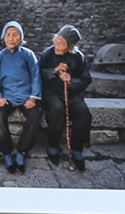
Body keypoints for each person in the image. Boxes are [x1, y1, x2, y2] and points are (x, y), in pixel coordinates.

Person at [37, 25, 92, 170]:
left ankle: (77, 149)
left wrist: (71, 81)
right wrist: (54, 71)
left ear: (71, 46)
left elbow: (86, 79)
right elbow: (37, 74)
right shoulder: (48, 54)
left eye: (61, 42)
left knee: (82, 111)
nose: (56, 44)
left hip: (72, 95)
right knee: (57, 109)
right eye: (56, 40)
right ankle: (53, 145)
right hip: (51, 93)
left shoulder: (78, 57)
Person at [0, 21, 40, 174]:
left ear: (20, 38)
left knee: (35, 116)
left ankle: (21, 152)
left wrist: (33, 97)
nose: (11, 38)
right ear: (4, 38)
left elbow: (36, 76)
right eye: (8, 35)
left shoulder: (28, 54)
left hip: (26, 96)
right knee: (0, 115)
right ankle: (6, 153)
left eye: (15, 35)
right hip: (7, 96)